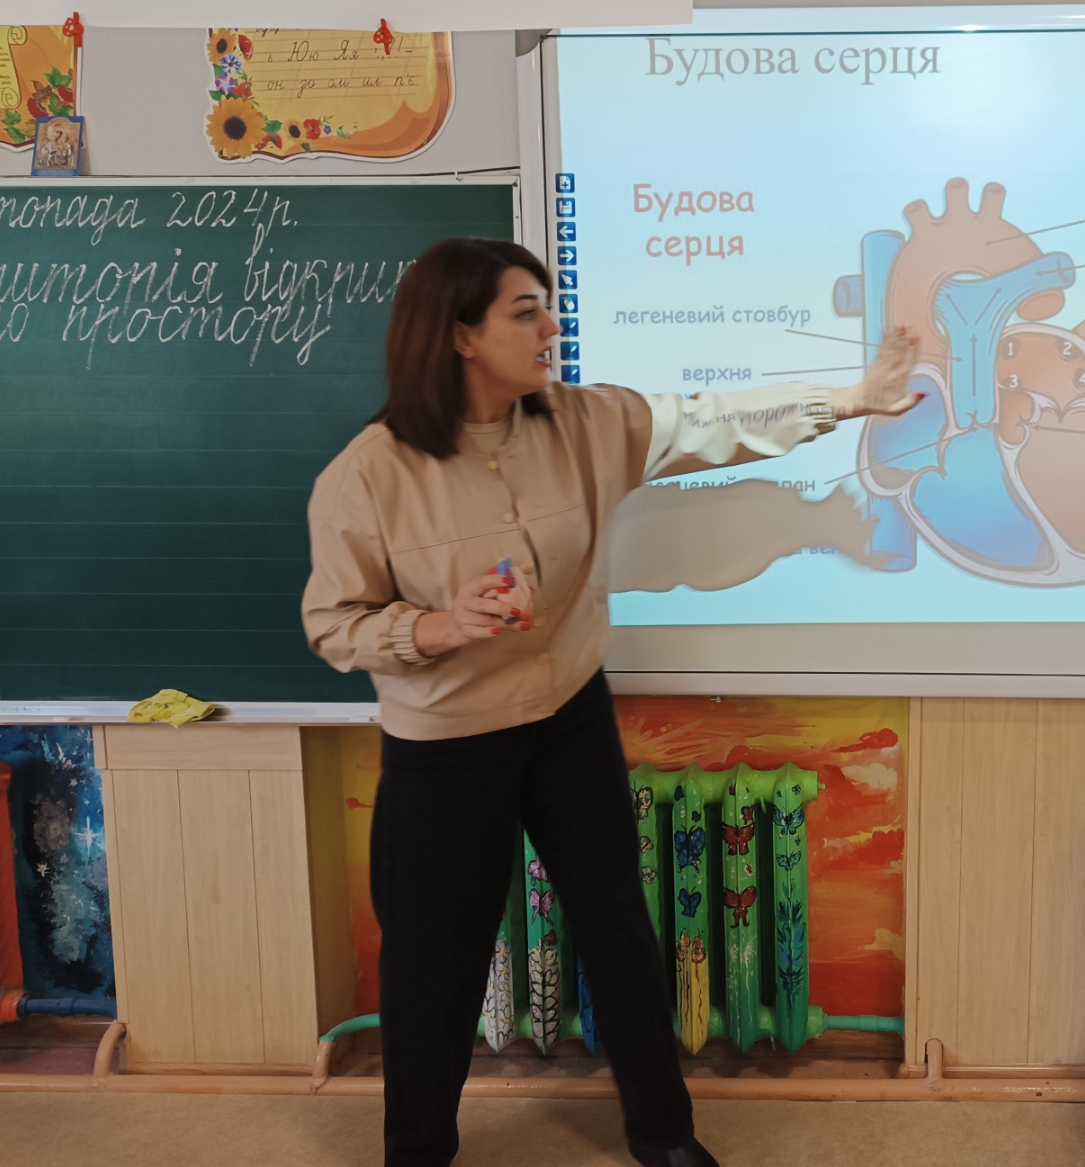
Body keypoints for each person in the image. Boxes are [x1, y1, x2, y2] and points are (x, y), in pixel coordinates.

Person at [301, 237, 918, 1167]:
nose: (550, 328)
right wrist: (437, 625)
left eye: (546, 308)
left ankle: (665, 1136)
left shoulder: (586, 422)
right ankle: (417, 1152)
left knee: (619, 928)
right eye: (525, 312)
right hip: (446, 746)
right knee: (433, 963)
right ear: (460, 335)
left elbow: (712, 421)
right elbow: (333, 625)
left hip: (568, 719)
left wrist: (851, 399)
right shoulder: (368, 474)